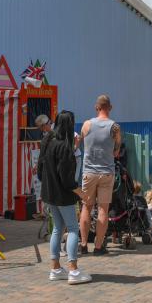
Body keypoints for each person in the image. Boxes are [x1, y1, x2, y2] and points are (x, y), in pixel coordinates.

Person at [38, 110, 91, 284]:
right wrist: (81, 193)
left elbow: (43, 168)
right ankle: (73, 271)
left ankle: (55, 269)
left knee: (57, 228)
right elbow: (68, 179)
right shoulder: (64, 146)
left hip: (49, 192)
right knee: (73, 229)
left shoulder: (48, 141)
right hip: (63, 194)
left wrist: (74, 148)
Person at [78, 94, 122, 255]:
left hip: (89, 172)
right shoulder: (115, 127)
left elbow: (80, 142)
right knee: (103, 210)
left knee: (86, 207)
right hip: (106, 173)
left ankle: (83, 244)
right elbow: (117, 151)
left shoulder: (86, 124)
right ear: (110, 108)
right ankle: (98, 246)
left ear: (96, 107)